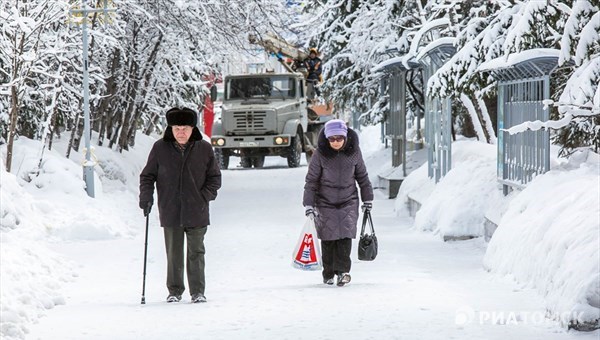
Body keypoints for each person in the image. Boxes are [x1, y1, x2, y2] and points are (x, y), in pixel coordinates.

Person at [139, 107, 222, 303]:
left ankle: (197, 292)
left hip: (197, 209)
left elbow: (215, 177)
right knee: (174, 253)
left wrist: (205, 196)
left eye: (185, 128)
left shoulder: (203, 148)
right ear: (170, 129)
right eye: (177, 128)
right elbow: (147, 176)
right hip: (171, 209)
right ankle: (175, 291)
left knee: (196, 252)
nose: (181, 132)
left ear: (193, 129)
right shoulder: (160, 148)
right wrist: (146, 197)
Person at [303, 119, 373, 287]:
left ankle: (342, 273)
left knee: (345, 237)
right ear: (327, 139)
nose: (335, 142)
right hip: (325, 202)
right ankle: (328, 273)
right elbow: (311, 181)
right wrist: (309, 205)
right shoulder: (320, 154)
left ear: (345, 137)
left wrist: (367, 199)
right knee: (328, 238)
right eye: (331, 139)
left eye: (339, 138)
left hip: (348, 200)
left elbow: (362, 177)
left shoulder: (354, 152)